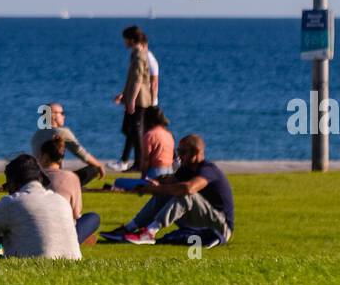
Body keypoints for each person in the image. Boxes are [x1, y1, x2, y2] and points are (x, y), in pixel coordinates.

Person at [100, 134, 234, 248]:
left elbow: (189, 188)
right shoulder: (186, 169)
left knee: (186, 195)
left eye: (182, 152)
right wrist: (153, 185)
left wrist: (158, 188)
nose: (179, 156)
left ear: (196, 153)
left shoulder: (208, 170)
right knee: (165, 192)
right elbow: (168, 182)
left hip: (220, 227)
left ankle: (150, 232)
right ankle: (128, 228)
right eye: (178, 151)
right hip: (200, 221)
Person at [0, 154, 82, 259]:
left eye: (7, 185)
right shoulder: (61, 201)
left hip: (38, 270)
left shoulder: (12, 203)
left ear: (13, 183)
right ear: (40, 178)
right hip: (74, 265)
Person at [37, 134, 102, 244]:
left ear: (44, 156)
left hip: (38, 230)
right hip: (64, 234)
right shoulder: (71, 178)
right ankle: (79, 240)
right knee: (93, 217)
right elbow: (76, 213)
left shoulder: (32, 177)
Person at [109, 26, 153, 173]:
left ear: (132, 40)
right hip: (132, 97)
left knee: (135, 129)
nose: (124, 42)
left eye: (126, 39)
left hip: (140, 99)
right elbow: (131, 79)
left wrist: (132, 99)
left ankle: (139, 162)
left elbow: (138, 80)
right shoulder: (135, 54)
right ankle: (127, 160)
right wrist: (123, 94)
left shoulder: (140, 56)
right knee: (130, 129)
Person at [31, 102, 105, 186]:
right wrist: (99, 166)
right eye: (62, 113)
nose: (64, 116)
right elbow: (82, 153)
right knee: (93, 168)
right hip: (55, 180)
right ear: (53, 115)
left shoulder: (37, 134)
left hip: (39, 179)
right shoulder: (61, 132)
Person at [140, 105, 175, 179]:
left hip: (156, 171)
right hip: (170, 171)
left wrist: (143, 177)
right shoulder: (168, 134)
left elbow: (146, 159)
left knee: (119, 182)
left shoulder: (150, 135)